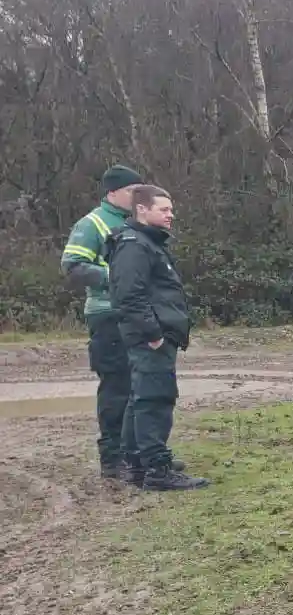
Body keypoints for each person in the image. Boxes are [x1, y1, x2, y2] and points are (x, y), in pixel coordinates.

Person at [107, 186, 209, 491]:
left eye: (170, 210)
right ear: (142, 210)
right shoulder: (134, 246)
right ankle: (157, 470)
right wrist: (153, 334)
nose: (170, 215)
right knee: (155, 398)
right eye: (163, 209)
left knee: (141, 397)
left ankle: (137, 461)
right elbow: (129, 296)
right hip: (151, 336)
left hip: (156, 333)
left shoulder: (146, 243)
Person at [59, 165, 148, 478]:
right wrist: (116, 278)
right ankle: (112, 459)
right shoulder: (92, 223)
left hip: (138, 314)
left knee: (142, 387)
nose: (137, 197)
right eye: (131, 192)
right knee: (116, 387)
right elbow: (72, 266)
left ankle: (138, 453)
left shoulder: (137, 222)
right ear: (112, 193)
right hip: (107, 315)